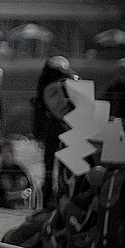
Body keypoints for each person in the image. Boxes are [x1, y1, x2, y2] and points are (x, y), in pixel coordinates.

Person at [30, 55, 78, 207]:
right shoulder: (49, 86)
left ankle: (60, 194)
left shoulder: (61, 83)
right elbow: (44, 108)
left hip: (63, 126)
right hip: (53, 126)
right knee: (50, 166)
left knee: (62, 165)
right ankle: (50, 197)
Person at [0, 140, 32, 209]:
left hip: (20, 205)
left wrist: (26, 193)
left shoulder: (19, 169)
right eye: (4, 152)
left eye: (9, 152)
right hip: (2, 206)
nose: (7, 155)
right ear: (1, 155)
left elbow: (30, 187)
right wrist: (16, 195)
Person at [102, 58, 125, 124]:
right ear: (116, 73)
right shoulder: (110, 88)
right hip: (113, 122)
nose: (124, 77)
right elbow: (102, 105)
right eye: (122, 74)